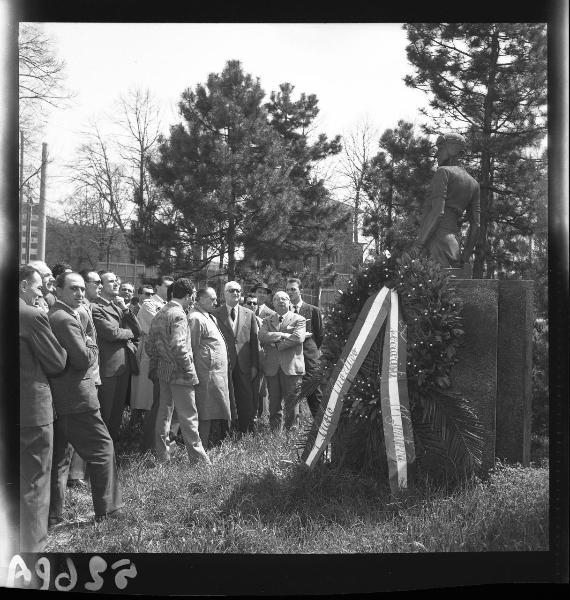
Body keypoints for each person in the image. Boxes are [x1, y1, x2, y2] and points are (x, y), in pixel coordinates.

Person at [47, 272, 123, 524]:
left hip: (63, 399)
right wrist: (91, 341)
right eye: (73, 289)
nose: (80, 294)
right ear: (57, 290)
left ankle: (53, 515)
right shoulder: (65, 318)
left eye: (82, 289)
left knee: (60, 459)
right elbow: (82, 359)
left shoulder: (61, 314)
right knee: (103, 449)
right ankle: (108, 511)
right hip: (77, 399)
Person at [19, 265, 67, 551]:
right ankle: (32, 553)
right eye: (38, 287)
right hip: (32, 410)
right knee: (35, 482)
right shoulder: (33, 315)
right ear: (24, 285)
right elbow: (57, 361)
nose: (43, 292)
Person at [145, 278, 210, 465]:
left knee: (164, 415)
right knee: (189, 416)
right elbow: (179, 346)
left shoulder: (161, 312)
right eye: (194, 296)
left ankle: (163, 456)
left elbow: (150, 346)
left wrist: (162, 362)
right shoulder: (179, 314)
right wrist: (189, 371)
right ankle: (199, 461)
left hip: (163, 371)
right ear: (189, 296)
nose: (193, 300)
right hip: (180, 373)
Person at [415, 132, 480, 268]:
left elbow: (438, 212)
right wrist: (465, 257)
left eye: (440, 149)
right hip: (453, 246)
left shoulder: (443, 172)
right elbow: (476, 226)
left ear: (452, 150)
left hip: (434, 241)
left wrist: (418, 246)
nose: (437, 154)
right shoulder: (474, 184)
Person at [91, 271, 141, 442]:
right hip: (108, 367)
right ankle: (100, 452)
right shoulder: (95, 307)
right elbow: (111, 333)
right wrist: (129, 333)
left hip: (123, 366)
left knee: (116, 413)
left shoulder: (118, 306)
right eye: (111, 281)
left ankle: (111, 452)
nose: (116, 284)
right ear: (101, 286)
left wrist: (126, 309)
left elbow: (138, 331)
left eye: (116, 280)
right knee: (105, 412)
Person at [188, 287, 234, 449]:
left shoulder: (207, 315)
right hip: (204, 374)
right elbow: (191, 349)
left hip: (215, 375)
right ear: (199, 299)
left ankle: (210, 446)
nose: (216, 302)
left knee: (213, 410)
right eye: (211, 299)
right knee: (204, 412)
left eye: (215, 298)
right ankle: (200, 449)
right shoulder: (195, 317)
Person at [214, 281, 259, 435]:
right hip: (223, 364)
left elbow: (254, 341)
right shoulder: (215, 313)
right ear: (224, 293)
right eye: (232, 290)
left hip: (244, 364)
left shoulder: (249, 313)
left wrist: (254, 365)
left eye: (238, 291)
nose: (235, 293)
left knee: (245, 398)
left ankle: (246, 431)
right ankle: (224, 432)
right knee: (224, 397)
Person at [136, 277, 175, 454]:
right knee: (154, 403)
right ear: (157, 287)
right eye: (166, 286)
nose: (169, 289)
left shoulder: (169, 305)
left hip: (167, 359)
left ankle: (160, 443)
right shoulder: (149, 304)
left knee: (163, 404)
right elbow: (162, 327)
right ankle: (148, 446)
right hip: (154, 357)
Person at [258, 291, 306, 433]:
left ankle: (291, 433)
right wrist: (282, 335)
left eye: (284, 298)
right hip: (272, 367)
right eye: (277, 299)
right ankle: (275, 432)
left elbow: (298, 338)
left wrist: (276, 344)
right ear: (273, 303)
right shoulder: (267, 320)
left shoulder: (299, 319)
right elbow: (262, 336)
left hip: (291, 367)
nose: (280, 301)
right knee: (274, 403)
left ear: (289, 302)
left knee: (292, 402)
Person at [286, 278, 324, 418]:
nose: (290, 292)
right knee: (292, 394)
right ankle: (294, 425)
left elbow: (319, 335)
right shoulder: (283, 311)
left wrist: (310, 350)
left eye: (293, 289)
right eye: (288, 289)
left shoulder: (313, 311)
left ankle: (320, 425)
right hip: (290, 358)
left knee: (315, 394)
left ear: (300, 290)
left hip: (309, 358)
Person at [243, 293, 267, 422]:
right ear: (244, 304)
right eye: (249, 303)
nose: (252, 305)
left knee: (259, 392)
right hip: (242, 362)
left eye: (254, 303)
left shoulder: (260, 321)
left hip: (259, 362)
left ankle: (257, 418)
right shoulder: (239, 319)